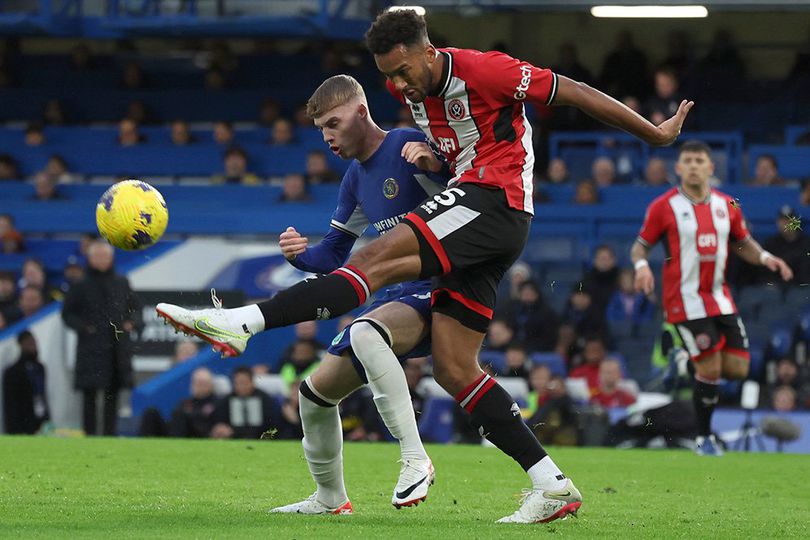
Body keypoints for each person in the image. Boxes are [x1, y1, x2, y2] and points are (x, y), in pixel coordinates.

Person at [158, 8, 694, 523]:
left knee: (374, 262)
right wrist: (438, 160)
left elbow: (571, 92)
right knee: (455, 369)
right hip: (479, 215)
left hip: (496, 200)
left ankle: (242, 322)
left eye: (405, 70)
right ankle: (551, 483)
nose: (401, 84)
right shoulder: (403, 91)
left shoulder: (485, 69)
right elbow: (454, 146)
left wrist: (655, 133)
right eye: (389, 75)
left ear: (426, 49)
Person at [263, 74, 444, 513]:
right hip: (397, 294)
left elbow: (473, 192)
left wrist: (437, 163)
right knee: (314, 394)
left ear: (361, 112)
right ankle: (330, 499)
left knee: (365, 333)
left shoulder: (406, 144)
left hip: (444, 285)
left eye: (333, 123)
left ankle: (415, 457)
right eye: (321, 128)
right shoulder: (355, 179)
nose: (327, 136)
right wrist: (301, 257)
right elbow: (334, 252)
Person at [632, 140, 793, 456]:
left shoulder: (728, 204)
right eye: (687, 160)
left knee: (737, 369)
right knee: (711, 369)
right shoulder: (663, 206)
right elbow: (640, 246)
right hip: (683, 301)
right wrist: (641, 266)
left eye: (699, 160)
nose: (693, 165)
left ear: (710, 167)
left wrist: (764, 258)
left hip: (720, 298)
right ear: (678, 168)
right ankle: (703, 439)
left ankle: (686, 361)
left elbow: (742, 242)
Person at [62, 240, 141, 436]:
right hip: (91, 347)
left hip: (116, 347)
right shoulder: (80, 285)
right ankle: (89, 434)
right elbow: (68, 314)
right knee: (89, 394)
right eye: (97, 256)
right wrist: (84, 328)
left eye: (105, 256)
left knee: (112, 394)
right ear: (89, 259)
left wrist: (131, 322)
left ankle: (109, 434)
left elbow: (136, 309)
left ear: (111, 258)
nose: (101, 260)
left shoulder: (122, 282)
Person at [2, 331, 50, 434]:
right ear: (21, 345)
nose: (34, 346)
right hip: (23, 423)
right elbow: (11, 405)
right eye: (29, 343)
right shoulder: (13, 372)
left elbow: (42, 395)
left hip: (41, 420)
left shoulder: (39, 368)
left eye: (34, 342)